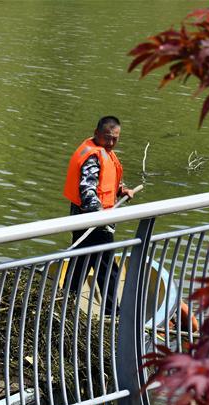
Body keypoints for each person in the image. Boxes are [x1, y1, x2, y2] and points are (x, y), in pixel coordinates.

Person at [63, 116, 138, 310]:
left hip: (88, 219)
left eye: (115, 138)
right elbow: (88, 190)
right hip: (94, 222)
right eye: (107, 137)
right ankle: (112, 314)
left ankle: (63, 305)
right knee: (107, 269)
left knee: (79, 263)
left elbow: (104, 182)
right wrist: (101, 217)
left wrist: (121, 190)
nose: (111, 142)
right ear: (96, 133)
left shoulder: (102, 151)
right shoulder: (93, 156)